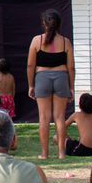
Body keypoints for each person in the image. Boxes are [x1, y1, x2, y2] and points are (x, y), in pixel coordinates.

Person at [27, 9, 75, 160]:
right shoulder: (65, 41)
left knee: (44, 117)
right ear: (59, 24)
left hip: (42, 77)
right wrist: (71, 86)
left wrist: (31, 85)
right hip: (61, 77)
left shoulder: (37, 41)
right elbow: (71, 67)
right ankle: (61, 153)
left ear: (44, 23)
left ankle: (44, 153)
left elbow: (30, 66)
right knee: (60, 117)